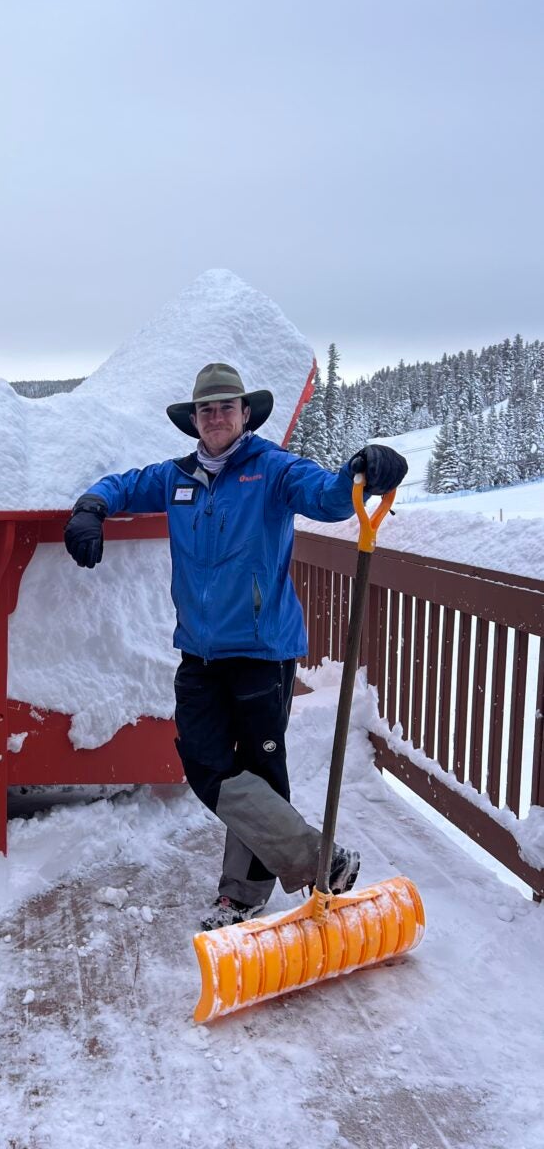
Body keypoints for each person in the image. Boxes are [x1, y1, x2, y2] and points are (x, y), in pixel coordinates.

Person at [63, 362, 408, 930]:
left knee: (260, 770)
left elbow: (327, 495)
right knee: (205, 763)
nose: (216, 416)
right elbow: (122, 483)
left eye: (227, 406)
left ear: (246, 414)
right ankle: (321, 861)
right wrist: (90, 508)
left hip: (261, 650)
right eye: (206, 409)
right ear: (193, 421)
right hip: (198, 652)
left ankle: (241, 895)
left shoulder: (271, 470)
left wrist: (363, 471)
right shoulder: (176, 477)